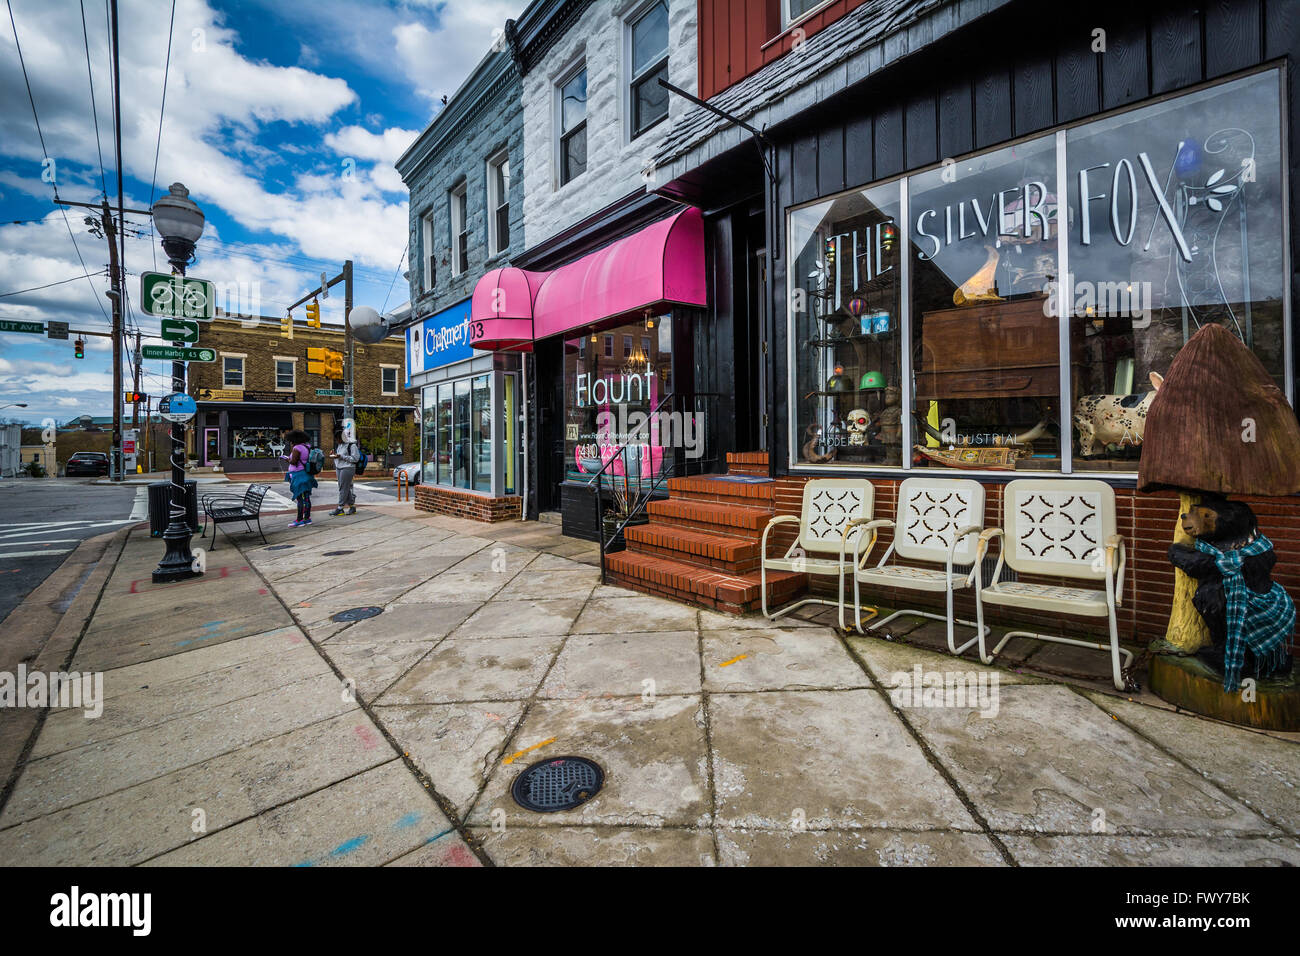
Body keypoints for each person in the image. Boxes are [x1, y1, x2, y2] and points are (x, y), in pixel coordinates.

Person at [282, 429, 316, 527]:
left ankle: (299, 520)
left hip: (298, 475)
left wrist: (287, 459)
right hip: (306, 474)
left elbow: (294, 462)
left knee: (300, 498)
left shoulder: (297, 448)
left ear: (294, 440)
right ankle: (307, 518)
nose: (291, 443)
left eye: (291, 441)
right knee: (306, 498)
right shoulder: (307, 447)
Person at [329, 427, 360, 516]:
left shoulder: (352, 445)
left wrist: (341, 456)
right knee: (343, 488)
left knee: (343, 488)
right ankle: (352, 506)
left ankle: (340, 508)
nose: (336, 441)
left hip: (348, 468)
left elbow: (355, 459)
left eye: (338, 439)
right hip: (339, 467)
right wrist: (333, 455)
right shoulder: (340, 446)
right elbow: (339, 457)